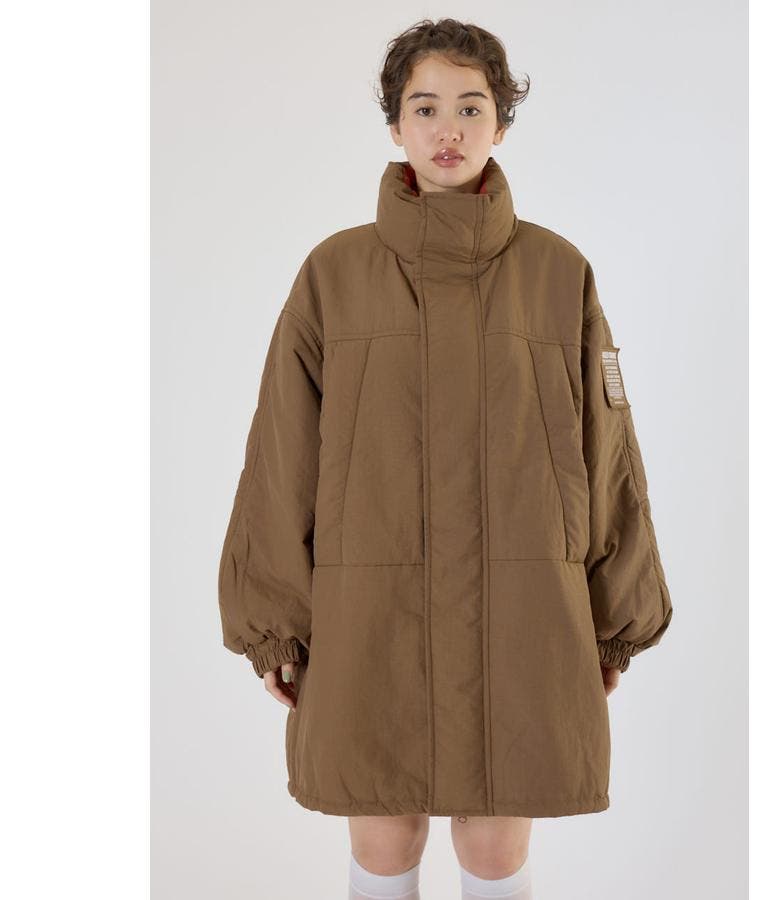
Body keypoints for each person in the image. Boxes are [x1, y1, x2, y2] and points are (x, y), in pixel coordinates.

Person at [217, 17, 673, 900]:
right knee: (384, 835)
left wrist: (614, 616)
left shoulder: (559, 273)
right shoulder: (333, 274)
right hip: (370, 612)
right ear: (395, 124)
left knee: (497, 847)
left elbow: (608, 451)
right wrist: (273, 621)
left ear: (502, 122)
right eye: (425, 108)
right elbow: (280, 452)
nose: (449, 129)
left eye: (472, 106)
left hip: (526, 610)